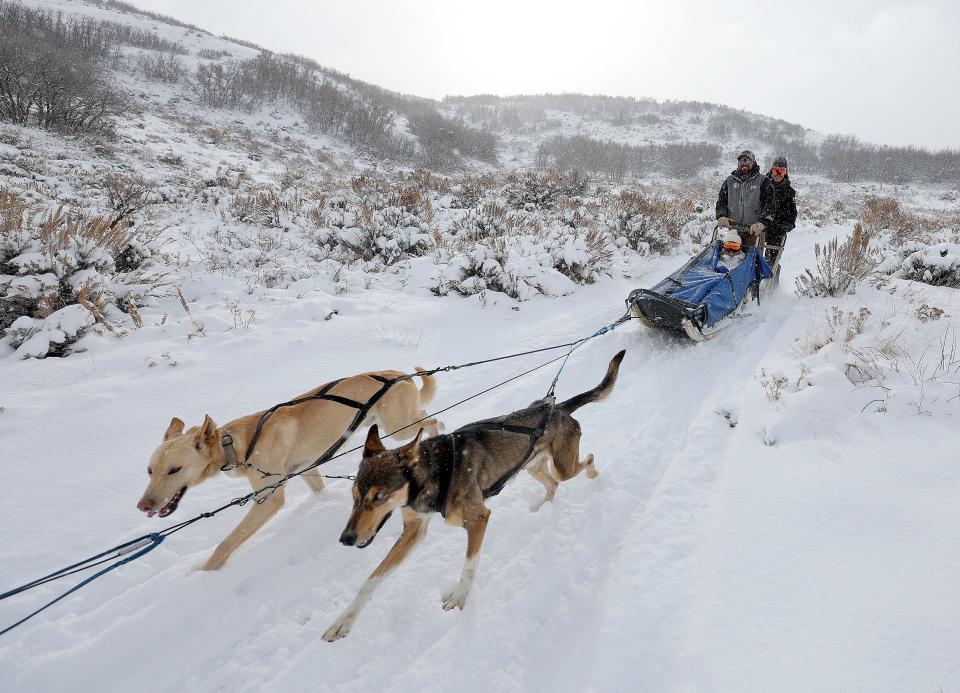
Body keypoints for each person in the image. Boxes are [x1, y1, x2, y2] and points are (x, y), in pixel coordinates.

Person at [715, 150, 776, 249]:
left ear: (753, 162)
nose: (744, 164)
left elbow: (770, 206)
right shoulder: (729, 181)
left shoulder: (763, 181)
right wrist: (721, 216)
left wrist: (762, 224)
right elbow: (721, 202)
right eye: (741, 161)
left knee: (752, 260)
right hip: (733, 230)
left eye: (747, 161)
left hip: (753, 231)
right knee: (730, 258)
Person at [764, 155, 798, 268]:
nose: (777, 175)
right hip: (759, 226)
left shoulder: (789, 192)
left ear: (786, 172)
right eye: (775, 171)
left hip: (776, 231)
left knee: (771, 264)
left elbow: (792, 217)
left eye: (781, 171)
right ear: (771, 170)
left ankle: (772, 282)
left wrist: (781, 227)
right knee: (751, 256)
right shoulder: (762, 185)